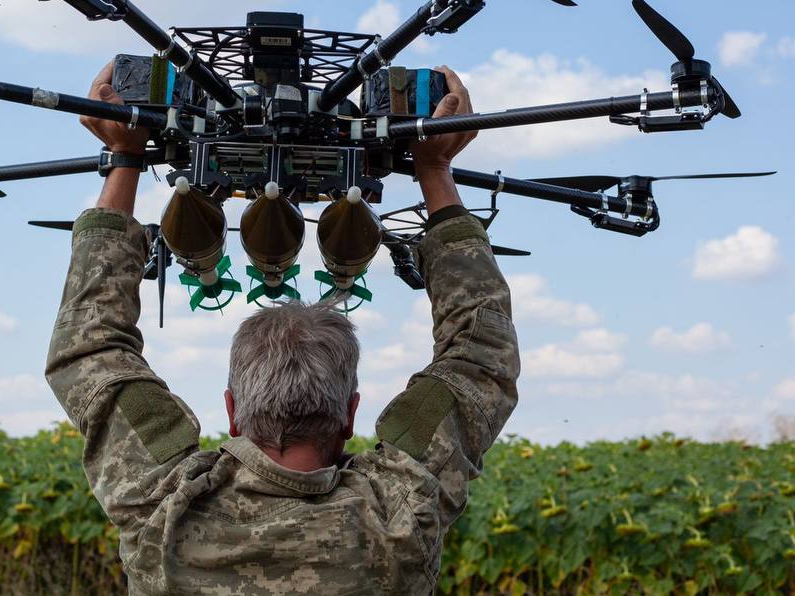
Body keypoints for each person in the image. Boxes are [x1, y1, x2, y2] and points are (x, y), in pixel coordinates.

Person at [46, 60, 519, 595]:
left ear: (232, 410)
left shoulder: (166, 510)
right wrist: (436, 170)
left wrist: (127, 159)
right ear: (349, 415)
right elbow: (482, 354)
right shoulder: (397, 516)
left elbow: (89, 349)